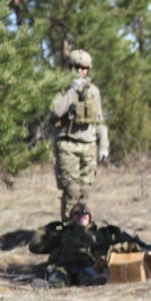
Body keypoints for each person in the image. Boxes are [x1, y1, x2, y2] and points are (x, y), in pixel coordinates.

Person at [51, 49, 109, 221]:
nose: (81, 72)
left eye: (84, 69)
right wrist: (72, 91)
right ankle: (68, 229)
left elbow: (99, 121)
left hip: (89, 145)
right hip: (67, 144)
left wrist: (104, 145)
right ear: (70, 68)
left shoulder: (93, 91)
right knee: (72, 190)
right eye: (77, 68)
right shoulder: (61, 89)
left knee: (85, 191)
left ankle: (84, 229)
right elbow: (55, 111)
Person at [28, 203, 111, 287]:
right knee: (58, 275)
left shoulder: (98, 235)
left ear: (90, 217)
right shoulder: (62, 233)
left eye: (84, 213)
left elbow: (119, 248)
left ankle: (93, 281)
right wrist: (45, 230)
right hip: (64, 266)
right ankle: (50, 285)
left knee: (90, 272)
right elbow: (35, 246)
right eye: (77, 214)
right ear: (71, 218)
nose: (81, 216)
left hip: (88, 266)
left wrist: (117, 234)